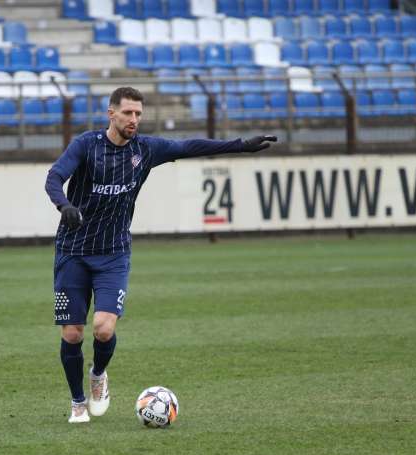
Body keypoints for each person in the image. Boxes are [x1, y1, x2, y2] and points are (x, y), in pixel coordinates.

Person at [45, 86, 276, 423]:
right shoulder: (86, 145)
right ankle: (78, 402)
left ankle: (97, 376)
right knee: (72, 333)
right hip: (73, 251)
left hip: (113, 253)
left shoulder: (145, 149)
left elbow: (189, 147)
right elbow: (54, 177)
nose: (134, 119)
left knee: (104, 329)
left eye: (138, 113)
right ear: (111, 114)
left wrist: (240, 145)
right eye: (127, 113)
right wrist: (63, 205)